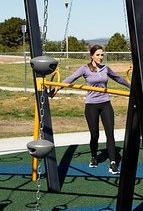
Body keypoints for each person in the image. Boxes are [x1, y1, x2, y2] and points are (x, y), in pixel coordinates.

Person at [52, 45, 130, 174]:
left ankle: (113, 163)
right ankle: (94, 157)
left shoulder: (106, 68)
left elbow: (118, 78)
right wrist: (57, 88)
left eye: (102, 55)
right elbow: (70, 79)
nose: (101, 57)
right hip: (91, 105)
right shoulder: (84, 69)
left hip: (105, 103)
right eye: (98, 55)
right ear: (92, 56)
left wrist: (131, 86)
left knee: (110, 133)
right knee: (94, 135)